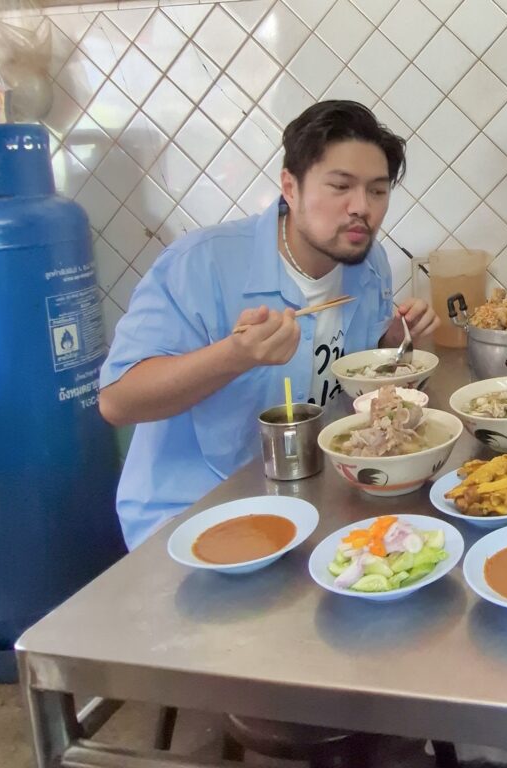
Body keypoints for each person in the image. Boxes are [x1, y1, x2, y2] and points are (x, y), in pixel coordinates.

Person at [99, 101, 438, 550]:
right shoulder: (201, 263)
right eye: (340, 186)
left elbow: (354, 375)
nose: (362, 208)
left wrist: (396, 343)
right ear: (290, 188)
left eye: (377, 191)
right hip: (190, 516)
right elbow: (118, 401)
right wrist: (233, 356)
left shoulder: (368, 263)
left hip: (310, 494)